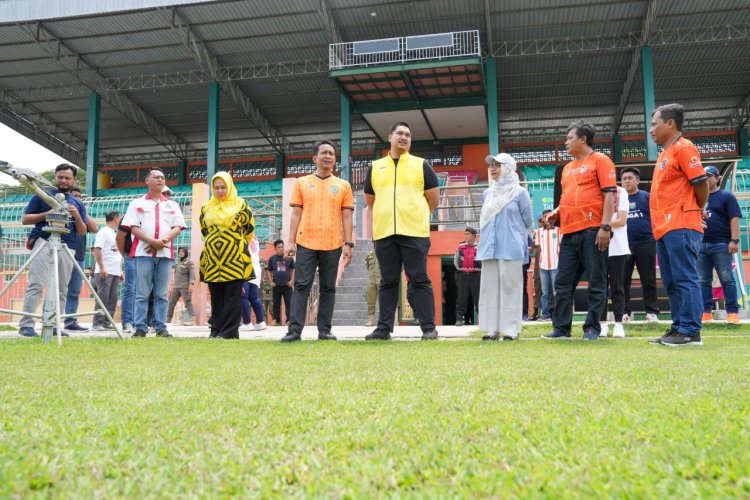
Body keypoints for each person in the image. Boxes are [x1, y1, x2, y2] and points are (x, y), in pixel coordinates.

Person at [363, 122, 440, 341]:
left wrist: (416, 216)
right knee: (387, 281)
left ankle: (428, 328)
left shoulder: (421, 165)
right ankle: (384, 328)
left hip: (415, 231)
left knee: (419, 278)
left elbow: (433, 198)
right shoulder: (376, 167)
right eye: (400, 133)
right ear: (390, 137)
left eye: (408, 134)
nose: (404, 137)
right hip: (385, 232)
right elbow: (371, 200)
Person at [543, 121, 616, 340]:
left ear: (583, 139)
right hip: (569, 232)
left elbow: (610, 195)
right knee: (563, 283)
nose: (566, 142)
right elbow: (567, 197)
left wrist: (605, 226)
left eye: (569, 138)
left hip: (593, 231)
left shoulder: (601, 161)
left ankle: (592, 328)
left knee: (597, 280)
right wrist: (557, 211)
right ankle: (561, 328)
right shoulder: (567, 168)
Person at [648, 103, 709, 346]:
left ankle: (691, 332)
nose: (651, 129)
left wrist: (698, 207)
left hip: (681, 223)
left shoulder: (684, 148)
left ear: (670, 123)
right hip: (664, 227)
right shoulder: (665, 154)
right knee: (671, 281)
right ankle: (678, 328)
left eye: (654, 124)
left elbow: (700, 182)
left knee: (685, 277)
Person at [281, 140, 355, 342]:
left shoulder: (343, 186)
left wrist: (348, 244)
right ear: (315, 158)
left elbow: (347, 216)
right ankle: (294, 330)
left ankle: (325, 330)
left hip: (333, 244)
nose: (328, 156)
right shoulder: (302, 183)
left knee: (328, 287)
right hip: (306, 242)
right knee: (301, 285)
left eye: (331, 153)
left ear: (335, 159)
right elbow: (296, 213)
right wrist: (290, 241)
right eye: (324, 152)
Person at [18, 163, 88, 338]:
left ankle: (54, 324)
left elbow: (82, 231)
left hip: (67, 245)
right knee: (36, 283)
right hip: (43, 240)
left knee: (61, 288)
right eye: (60, 177)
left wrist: (77, 216)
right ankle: (26, 325)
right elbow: (26, 219)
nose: (63, 180)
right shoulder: (42, 196)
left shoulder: (77, 203)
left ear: (74, 180)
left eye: (67, 178)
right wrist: (48, 213)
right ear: (55, 177)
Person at [121, 168, 186, 338]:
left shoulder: (172, 205)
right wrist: (153, 242)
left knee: (162, 293)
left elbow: (178, 227)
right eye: (156, 177)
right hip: (144, 253)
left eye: (162, 177)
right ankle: (140, 327)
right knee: (142, 292)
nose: (160, 180)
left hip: (164, 254)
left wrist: (161, 243)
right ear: (147, 181)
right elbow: (133, 227)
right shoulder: (137, 203)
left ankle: (160, 327)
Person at [476, 153, 533, 341]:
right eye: (491, 165)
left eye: (497, 165)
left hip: (510, 247)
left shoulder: (520, 193)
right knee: (489, 288)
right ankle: (491, 329)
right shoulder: (487, 193)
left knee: (511, 288)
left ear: (508, 168)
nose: (492, 168)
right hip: (489, 247)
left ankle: (510, 330)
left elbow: (527, 221)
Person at [199, 171, 256, 339]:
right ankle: (215, 329)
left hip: (234, 257)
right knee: (216, 295)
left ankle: (229, 332)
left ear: (230, 186)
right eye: (216, 188)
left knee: (232, 295)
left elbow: (249, 229)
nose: (220, 191)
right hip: (212, 257)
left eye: (223, 187)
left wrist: (232, 242)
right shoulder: (206, 207)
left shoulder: (241, 205)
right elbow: (204, 228)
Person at [698, 165, 741, 324]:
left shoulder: (726, 196)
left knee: (726, 278)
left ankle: (732, 312)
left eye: (708, 176)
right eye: (702, 177)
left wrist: (734, 240)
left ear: (717, 178)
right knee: (703, 280)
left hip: (721, 244)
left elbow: (734, 219)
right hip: (700, 245)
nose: (705, 179)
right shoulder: (696, 197)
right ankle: (706, 312)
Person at [620, 167, 660, 322]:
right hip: (624, 245)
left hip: (646, 243)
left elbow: (656, 216)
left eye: (630, 178)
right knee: (622, 281)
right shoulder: (618, 199)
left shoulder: (646, 197)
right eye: (624, 179)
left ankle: (651, 312)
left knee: (648, 279)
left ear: (637, 180)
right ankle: (624, 312)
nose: (627, 181)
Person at [61, 186, 98, 333]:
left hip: (79, 256)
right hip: (63, 254)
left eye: (80, 197)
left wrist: (81, 210)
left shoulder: (80, 214)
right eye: (75, 196)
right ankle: (51, 320)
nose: (78, 199)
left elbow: (94, 228)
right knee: (59, 289)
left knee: (74, 291)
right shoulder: (62, 210)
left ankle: (70, 321)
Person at [600, 185, 630, 338]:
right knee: (600, 288)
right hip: (598, 246)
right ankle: (602, 324)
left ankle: (618, 323)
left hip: (618, 247)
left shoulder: (620, 192)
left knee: (617, 287)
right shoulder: (592, 189)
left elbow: (621, 220)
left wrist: (600, 227)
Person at [91, 211, 122, 331]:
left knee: (112, 298)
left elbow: (115, 253)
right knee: (103, 297)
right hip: (105, 270)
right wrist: (102, 267)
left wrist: (120, 271)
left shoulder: (113, 233)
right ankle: (97, 322)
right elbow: (97, 249)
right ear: (115, 218)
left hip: (114, 271)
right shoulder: (103, 232)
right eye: (119, 218)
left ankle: (107, 321)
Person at [534, 209, 559, 320]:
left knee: (556, 291)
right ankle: (546, 314)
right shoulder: (538, 232)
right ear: (542, 218)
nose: (547, 218)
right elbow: (538, 248)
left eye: (549, 215)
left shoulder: (559, 231)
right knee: (544, 292)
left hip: (556, 265)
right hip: (543, 265)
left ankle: (558, 314)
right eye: (545, 216)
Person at [453, 227, 481, 326]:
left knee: (478, 297)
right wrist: (462, 270)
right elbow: (456, 261)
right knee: (461, 297)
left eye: (468, 234)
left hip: (476, 275)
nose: (466, 236)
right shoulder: (460, 246)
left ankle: (482, 320)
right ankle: (459, 319)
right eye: (465, 234)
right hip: (463, 275)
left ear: (474, 236)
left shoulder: (480, 246)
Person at [240, 235, 267, 331]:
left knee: (243, 296)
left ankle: (247, 322)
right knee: (254, 297)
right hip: (256, 268)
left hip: (246, 268)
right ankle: (260, 321)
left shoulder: (241, 236)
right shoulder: (254, 237)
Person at [265, 239, 294, 326]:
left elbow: (294, 269)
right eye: (279, 247)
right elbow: (268, 270)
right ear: (275, 248)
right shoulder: (272, 259)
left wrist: (292, 280)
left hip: (287, 285)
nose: (281, 248)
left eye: (282, 246)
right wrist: (270, 282)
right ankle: (276, 321)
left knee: (289, 303)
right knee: (276, 303)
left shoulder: (289, 258)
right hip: (276, 285)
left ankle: (289, 320)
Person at [166, 247, 196, 326]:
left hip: (185, 286)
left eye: (182, 251)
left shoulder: (189, 262)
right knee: (171, 303)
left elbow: (192, 275)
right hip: (176, 287)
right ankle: (167, 320)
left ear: (186, 252)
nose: (181, 253)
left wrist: (191, 285)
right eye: (179, 251)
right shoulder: (177, 263)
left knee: (187, 303)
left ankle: (192, 319)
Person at [364, 248, 380, 327]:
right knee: (370, 299)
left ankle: (383, 320)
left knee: (383, 300)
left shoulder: (384, 252)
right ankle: (371, 320)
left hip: (381, 278)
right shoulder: (369, 254)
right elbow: (367, 266)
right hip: (371, 279)